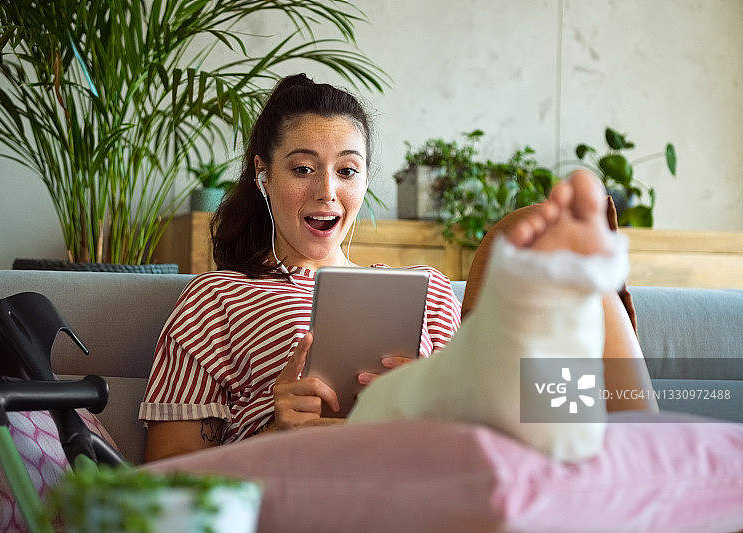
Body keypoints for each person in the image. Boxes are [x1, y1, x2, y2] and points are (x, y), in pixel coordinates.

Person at [139, 73, 656, 463]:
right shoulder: (217, 298)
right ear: (262, 175)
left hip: (425, 470)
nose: (326, 191)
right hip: (303, 478)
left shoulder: (425, 291)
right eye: (302, 169)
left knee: (561, 335)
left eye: (347, 170)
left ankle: (569, 289)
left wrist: (438, 404)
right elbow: (164, 478)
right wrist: (276, 429)